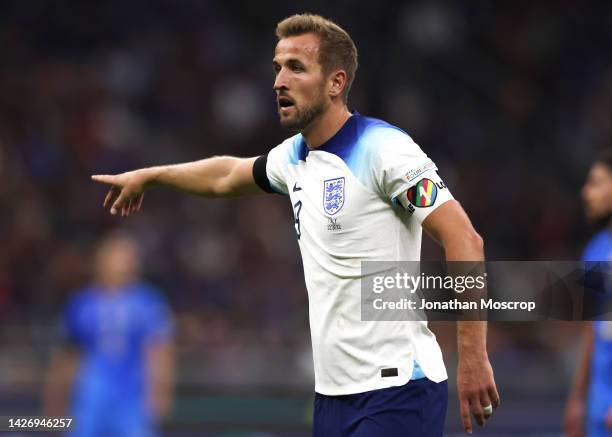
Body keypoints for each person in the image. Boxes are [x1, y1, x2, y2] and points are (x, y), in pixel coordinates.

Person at [92, 14, 499, 436]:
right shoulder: (294, 158)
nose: (279, 81)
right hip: (332, 396)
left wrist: (472, 356)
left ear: (336, 83)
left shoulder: (384, 151)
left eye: (296, 68)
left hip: (397, 388)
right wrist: (152, 175)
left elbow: (464, 238)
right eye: (277, 68)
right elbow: (227, 175)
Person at [43, 233, 174, 437]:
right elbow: (67, 356)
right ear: (99, 261)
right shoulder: (81, 303)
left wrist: (160, 393)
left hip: (132, 400)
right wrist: (56, 402)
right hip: (90, 398)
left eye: (126, 258)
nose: (120, 264)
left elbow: (159, 352)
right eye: (114, 257)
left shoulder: (147, 303)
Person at [565, 151, 612, 437]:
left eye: (596, 182)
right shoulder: (595, 250)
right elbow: (591, 330)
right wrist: (577, 398)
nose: (586, 192)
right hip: (599, 403)